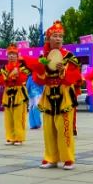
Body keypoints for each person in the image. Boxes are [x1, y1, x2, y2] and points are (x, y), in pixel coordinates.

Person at [31, 21, 82, 170]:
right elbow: (38, 79)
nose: (58, 39)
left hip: (64, 94)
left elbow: (75, 76)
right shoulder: (44, 57)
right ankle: (51, 157)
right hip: (48, 94)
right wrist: (41, 70)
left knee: (64, 128)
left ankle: (68, 158)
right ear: (49, 38)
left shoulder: (70, 57)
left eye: (60, 36)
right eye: (55, 36)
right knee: (49, 128)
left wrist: (63, 71)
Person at [0, 45, 30, 145]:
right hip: (8, 93)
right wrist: (2, 79)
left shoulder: (22, 67)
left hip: (19, 92)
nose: (11, 56)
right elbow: (1, 80)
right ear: (7, 56)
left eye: (13, 54)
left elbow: (23, 78)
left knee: (18, 116)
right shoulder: (3, 68)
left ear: (17, 56)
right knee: (8, 117)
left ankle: (19, 138)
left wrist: (18, 72)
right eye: (10, 54)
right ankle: (10, 137)